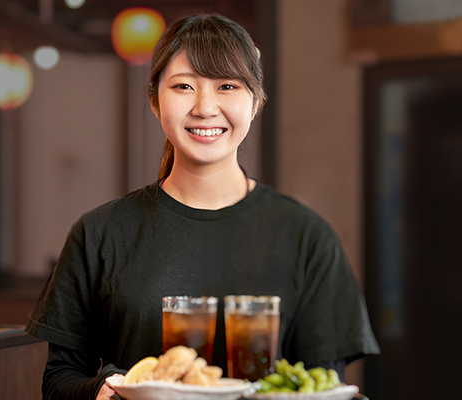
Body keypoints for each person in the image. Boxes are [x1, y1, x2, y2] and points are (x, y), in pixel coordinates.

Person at [26, 14, 380, 400]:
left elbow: (324, 383)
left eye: (227, 86)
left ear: (256, 101)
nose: (205, 107)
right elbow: (59, 380)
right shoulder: (100, 233)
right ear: (155, 101)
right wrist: (102, 391)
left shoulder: (305, 236)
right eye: (183, 86)